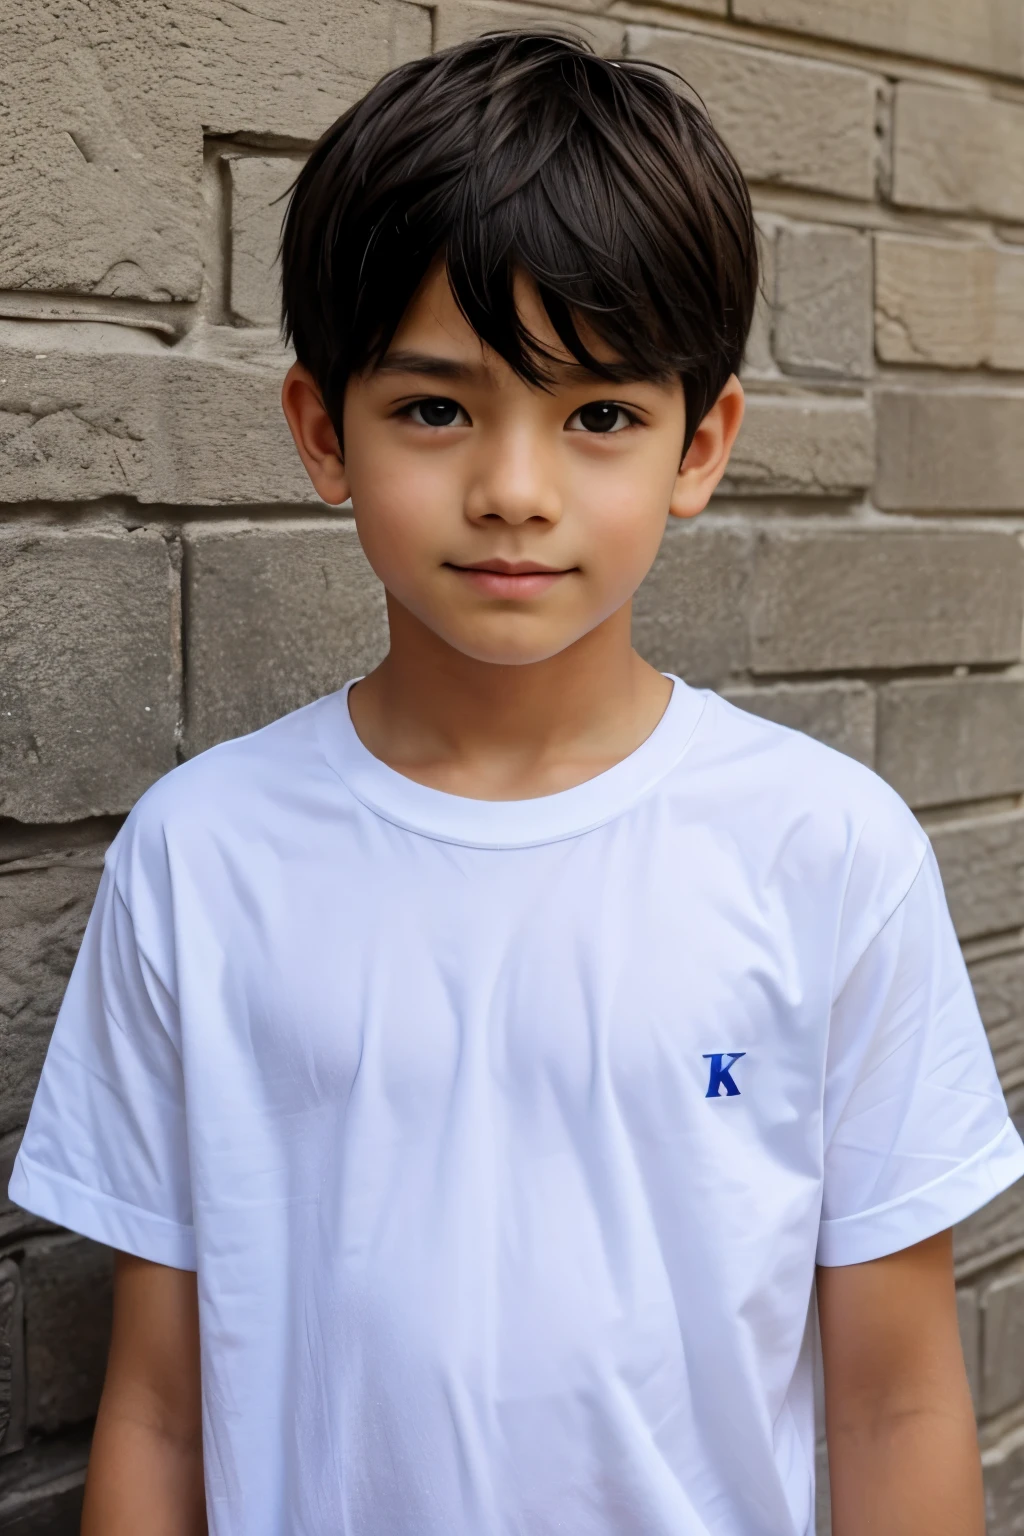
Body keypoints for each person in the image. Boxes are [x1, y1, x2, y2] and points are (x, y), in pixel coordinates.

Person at [10, 31, 1021, 1536]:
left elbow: (898, 1404)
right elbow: (160, 1412)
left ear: (701, 446)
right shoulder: (202, 854)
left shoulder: (826, 852)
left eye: (600, 415)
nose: (515, 492)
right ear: (321, 431)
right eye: (436, 409)